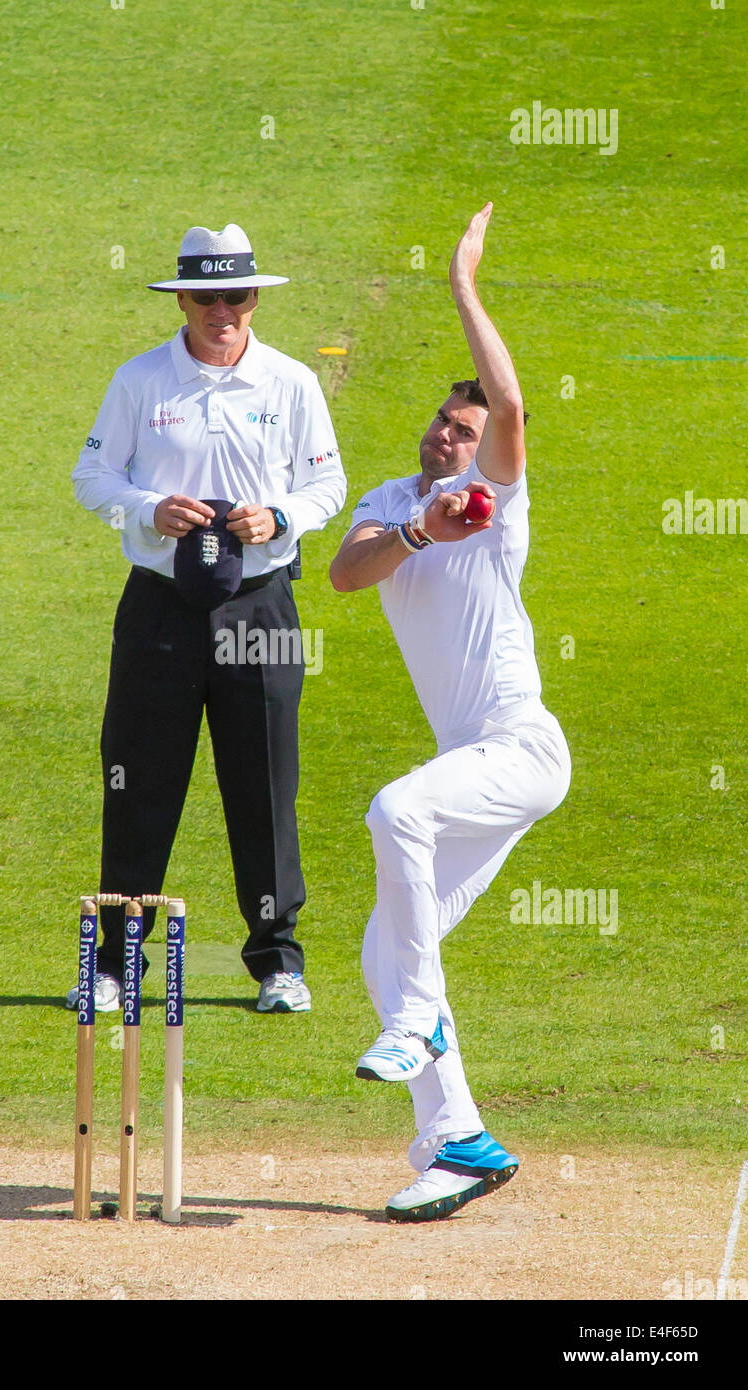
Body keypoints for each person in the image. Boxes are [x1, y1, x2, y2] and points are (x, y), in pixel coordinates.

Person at [329, 203, 571, 1220]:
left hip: (521, 750)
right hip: (473, 761)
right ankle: (458, 1140)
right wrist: (421, 531)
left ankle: (420, 1017)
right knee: (381, 950)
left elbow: (511, 404)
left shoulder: (497, 501)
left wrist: (463, 285)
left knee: (397, 809)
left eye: (461, 431)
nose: (445, 433)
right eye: (441, 419)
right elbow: (346, 574)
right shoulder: (395, 499)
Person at [70, 223, 346, 1014]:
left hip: (260, 605)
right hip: (159, 607)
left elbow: (327, 485)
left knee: (264, 784)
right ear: (182, 300)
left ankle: (278, 962)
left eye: (236, 296)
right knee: (138, 781)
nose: (222, 311)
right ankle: (116, 964)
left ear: (255, 298)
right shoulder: (140, 379)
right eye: (206, 296)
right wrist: (149, 507)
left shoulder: (291, 382)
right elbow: (91, 475)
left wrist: (280, 517)